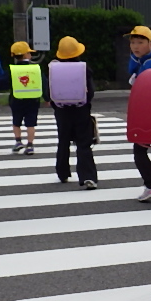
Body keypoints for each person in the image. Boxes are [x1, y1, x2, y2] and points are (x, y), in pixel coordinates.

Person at [45, 36, 98, 188]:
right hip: (81, 110)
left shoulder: (53, 69)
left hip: (62, 112)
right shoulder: (84, 68)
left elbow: (49, 93)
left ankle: (62, 173)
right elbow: (91, 92)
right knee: (83, 144)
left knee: (63, 142)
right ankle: (88, 177)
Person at [125, 25, 151, 202]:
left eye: (140, 42)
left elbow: (146, 92)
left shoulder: (150, 63)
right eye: (132, 42)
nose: (135, 46)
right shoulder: (144, 62)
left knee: (140, 150)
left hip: (150, 115)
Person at [7, 41, 41, 155]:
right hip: (33, 100)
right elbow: (44, 82)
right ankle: (30, 145)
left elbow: (1, 83)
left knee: (16, 121)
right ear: (26, 55)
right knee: (30, 123)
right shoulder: (35, 69)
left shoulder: (12, 70)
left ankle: (18, 141)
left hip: (16, 100)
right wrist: (47, 98)